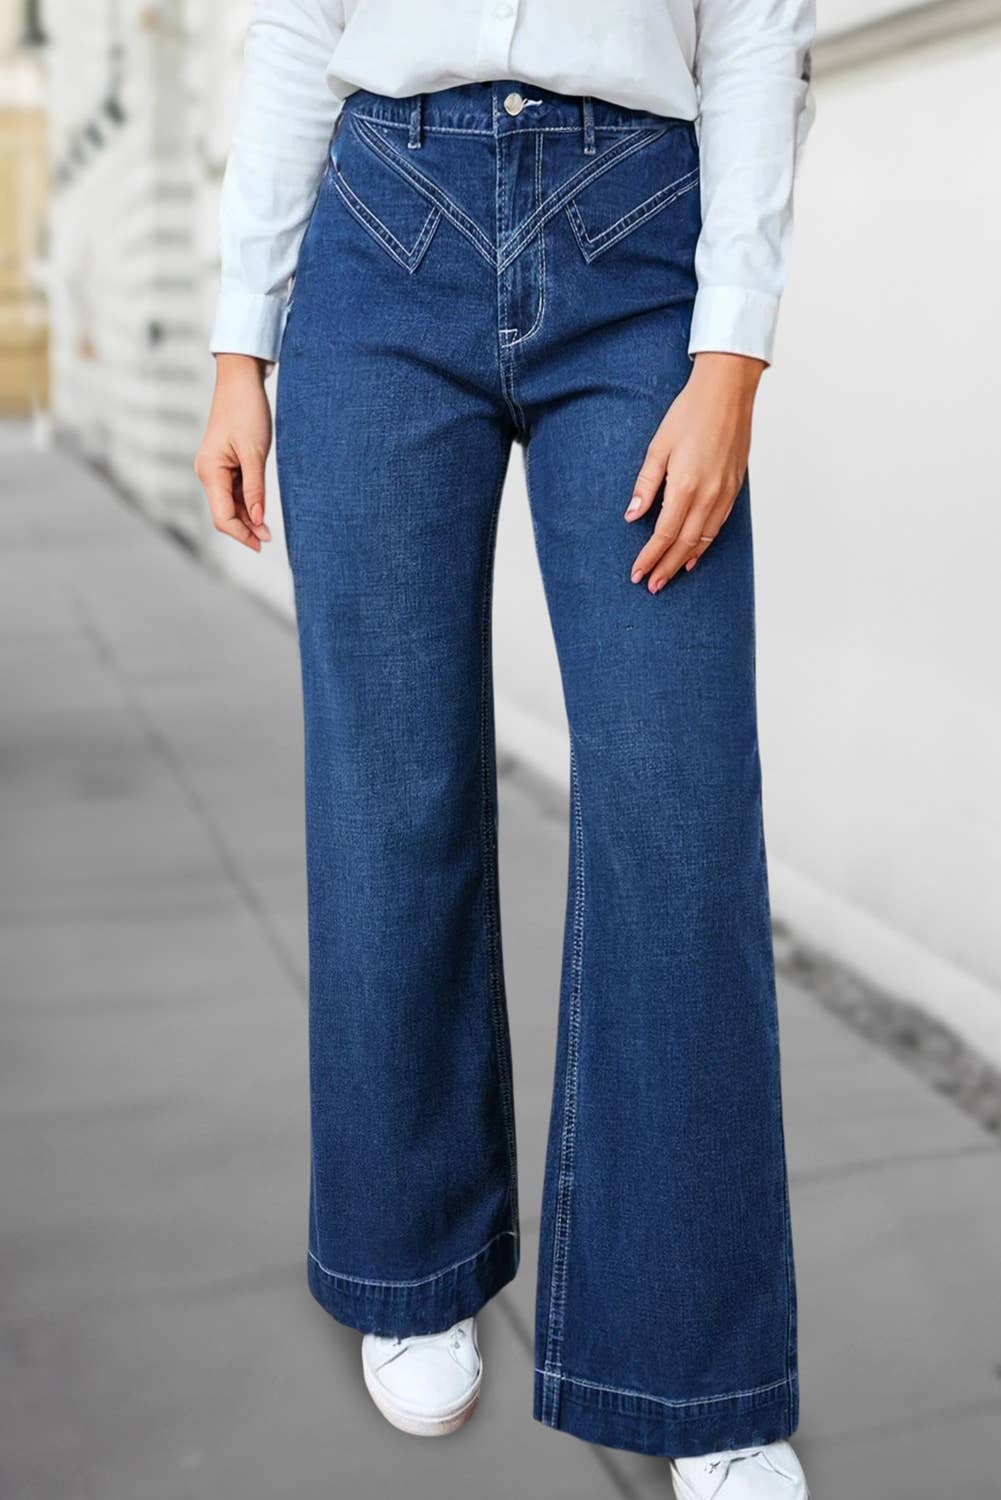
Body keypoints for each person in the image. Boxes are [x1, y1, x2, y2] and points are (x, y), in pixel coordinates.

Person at [195, 3, 816, 1494]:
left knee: (678, 808)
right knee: (390, 795)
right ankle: (413, 1261)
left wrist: (732, 349)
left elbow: (754, 30)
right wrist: (237, 343)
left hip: (639, 239)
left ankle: (695, 1368)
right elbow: (295, 24)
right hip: (379, 237)